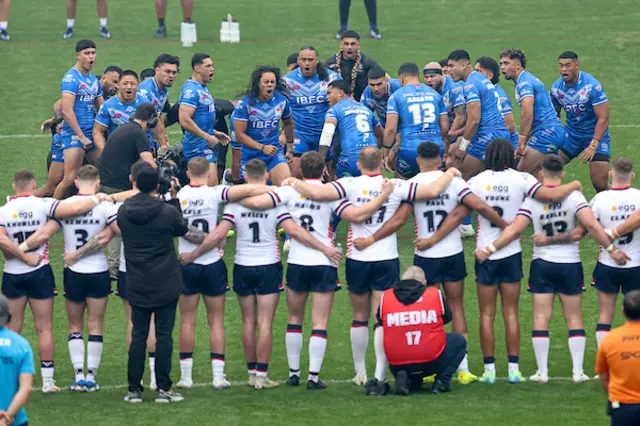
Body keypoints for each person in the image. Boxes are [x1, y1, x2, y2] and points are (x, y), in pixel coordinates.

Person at [282, 146, 461, 389]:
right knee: (381, 319)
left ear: (358, 164)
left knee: (358, 318)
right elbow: (432, 190)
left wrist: (292, 180)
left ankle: (360, 372)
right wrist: (450, 172)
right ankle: (379, 373)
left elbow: (318, 193)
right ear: (382, 162)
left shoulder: (348, 184)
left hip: (358, 257)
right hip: (386, 258)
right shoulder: (396, 185)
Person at [353, 141, 512, 385]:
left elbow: (398, 220)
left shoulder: (411, 184)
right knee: (456, 307)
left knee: (427, 311)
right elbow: (477, 206)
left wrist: (373, 237)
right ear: (440, 159)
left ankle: (428, 360)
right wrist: (506, 227)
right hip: (453, 253)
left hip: (426, 256)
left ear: (417, 160)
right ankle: (463, 368)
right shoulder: (456, 182)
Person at [423, 139, 582, 383]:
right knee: (511, 313)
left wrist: (435, 238)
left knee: (487, 314)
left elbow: (459, 215)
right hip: (511, 253)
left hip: (485, 253)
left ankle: (489, 370)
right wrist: (574, 184)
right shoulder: (523, 179)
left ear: (487, 156)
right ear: (510, 156)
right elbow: (552, 195)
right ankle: (513, 369)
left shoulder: (476, 181)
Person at [238, 151, 397, 389]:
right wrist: (383, 196)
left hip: (297, 262)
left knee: (294, 320)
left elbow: (258, 202)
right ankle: (313, 377)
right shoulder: (332, 193)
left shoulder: (290, 191)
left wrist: (234, 195)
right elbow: (356, 215)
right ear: (324, 170)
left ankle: (294, 374)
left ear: (300, 170)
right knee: (319, 322)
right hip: (324, 262)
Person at [180, 159, 343, 390]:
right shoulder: (276, 202)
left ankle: (249, 372)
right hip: (268, 264)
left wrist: (195, 252)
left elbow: (219, 234)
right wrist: (325, 248)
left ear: (245, 177)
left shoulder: (233, 205)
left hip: (243, 265)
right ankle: (261, 376)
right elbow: (293, 230)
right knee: (265, 322)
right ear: (266, 176)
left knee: (248, 322)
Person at [476, 154, 629, 384]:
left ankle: (542, 372)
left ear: (540, 174)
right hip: (570, 263)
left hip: (542, 264)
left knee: (540, 316)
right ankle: (578, 373)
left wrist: (489, 248)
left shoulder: (531, 200)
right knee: (574, 318)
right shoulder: (575, 197)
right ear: (563, 174)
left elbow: (514, 229)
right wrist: (610, 248)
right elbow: (590, 225)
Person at [0, 170, 113, 394]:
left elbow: (4, 239)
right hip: (42, 271)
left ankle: (10, 381)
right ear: (34, 186)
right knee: (45, 328)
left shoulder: (4, 211)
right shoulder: (45, 205)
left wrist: (21, 255)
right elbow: (75, 211)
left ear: (14, 187)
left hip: (13, 272)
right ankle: (49, 381)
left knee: (12, 330)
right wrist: (99, 197)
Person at [173, 157, 272, 390]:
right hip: (211, 263)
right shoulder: (215, 193)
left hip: (186, 262)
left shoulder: (178, 196)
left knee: (187, 321)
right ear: (208, 173)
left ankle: (186, 377)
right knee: (215, 320)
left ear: (188, 173)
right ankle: (218, 376)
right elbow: (248, 188)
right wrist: (275, 186)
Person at [118, 164, 188, 403]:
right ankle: (163, 388)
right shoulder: (166, 211)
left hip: (137, 280)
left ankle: (134, 389)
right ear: (158, 186)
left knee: (138, 335)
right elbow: (182, 228)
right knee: (164, 335)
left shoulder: (124, 211)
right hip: (165, 280)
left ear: (135, 183)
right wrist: (174, 199)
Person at [568, 158, 640, 350]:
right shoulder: (639, 197)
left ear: (610, 175)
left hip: (608, 265)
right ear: (632, 176)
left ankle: (604, 362)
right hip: (636, 266)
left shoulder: (599, 200)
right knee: (637, 317)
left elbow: (582, 231)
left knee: (605, 316)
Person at [373, 266, 467, 396]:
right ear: (423, 282)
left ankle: (407, 378)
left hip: (397, 362)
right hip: (431, 359)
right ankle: (442, 382)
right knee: (459, 341)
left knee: (403, 354)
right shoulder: (434, 294)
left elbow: (381, 323)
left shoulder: (386, 297)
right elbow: (447, 318)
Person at [551, 51, 611, 192]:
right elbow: (554, 116)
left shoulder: (592, 87)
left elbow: (603, 118)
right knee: (550, 167)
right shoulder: (555, 89)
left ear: (576, 66)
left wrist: (593, 145)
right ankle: (559, 202)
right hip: (571, 136)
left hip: (595, 136)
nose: (564, 69)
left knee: (599, 184)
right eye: (561, 66)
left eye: (568, 65)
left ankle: (621, 203)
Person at [446, 49, 510, 180]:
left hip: (487, 136)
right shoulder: (480, 78)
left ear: (464, 65)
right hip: (498, 133)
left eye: (452, 66)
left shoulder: (470, 85)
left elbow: (474, 120)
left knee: (460, 177)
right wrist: (459, 133)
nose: (449, 71)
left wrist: (463, 147)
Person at [500, 48, 565, 174]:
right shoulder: (524, 80)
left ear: (518, 65)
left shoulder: (524, 83)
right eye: (501, 64)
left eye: (506, 63)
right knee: (539, 176)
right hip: (551, 132)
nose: (502, 67)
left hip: (547, 132)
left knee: (522, 171)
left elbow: (527, 113)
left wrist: (521, 141)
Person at [54, 39, 104, 200]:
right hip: (75, 135)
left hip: (91, 132)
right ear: (78, 55)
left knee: (104, 171)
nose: (91, 57)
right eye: (87, 53)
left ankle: (93, 207)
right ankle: (52, 212)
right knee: (70, 179)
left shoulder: (94, 80)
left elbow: (102, 108)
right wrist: (81, 136)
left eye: (93, 53)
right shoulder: (71, 78)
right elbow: (67, 111)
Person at [382, 62, 449, 179]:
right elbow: (444, 127)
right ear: (418, 77)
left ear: (401, 79)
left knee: (403, 185)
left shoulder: (396, 96)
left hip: (410, 149)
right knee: (433, 185)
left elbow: (390, 129)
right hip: (435, 148)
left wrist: (387, 152)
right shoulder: (436, 95)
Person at [282, 46, 340, 178]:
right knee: (296, 172)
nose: (307, 63)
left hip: (325, 133)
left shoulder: (332, 78)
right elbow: (280, 110)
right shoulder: (287, 81)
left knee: (328, 176)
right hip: (300, 134)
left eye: (310, 60)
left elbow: (341, 104)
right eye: (303, 60)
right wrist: (282, 132)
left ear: (317, 61)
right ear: (298, 61)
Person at [234, 65, 293, 186]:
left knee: (285, 185)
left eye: (273, 82)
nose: (270, 85)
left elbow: (288, 123)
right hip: (252, 155)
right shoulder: (245, 105)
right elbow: (239, 135)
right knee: (255, 193)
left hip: (274, 153)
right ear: (258, 84)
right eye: (266, 82)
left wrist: (289, 146)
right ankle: (230, 176)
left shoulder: (282, 101)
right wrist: (261, 147)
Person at [179, 53, 230, 186]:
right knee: (208, 189)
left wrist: (214, 132)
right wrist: (207, 136)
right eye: (208, 66)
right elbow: (184, 120)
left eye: (212, 66)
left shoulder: (202, 89)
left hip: (204, 145)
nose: (212, 69)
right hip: (196, 147)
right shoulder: (191, 91)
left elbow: (198, 120)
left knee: (209, 188)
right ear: (197, 68)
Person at [319, 80, 383, 178]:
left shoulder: (334, 110)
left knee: (338, 189)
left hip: (351, 158)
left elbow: (327, 133)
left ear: (340, 93)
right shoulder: (366, 109)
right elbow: (380, 134)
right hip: (372, 158)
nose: (326, 97)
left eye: (329, 93)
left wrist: (321, 159)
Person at [595, 290, 640, 426]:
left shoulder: (610, 339)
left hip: (622, 407)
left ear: (623, 311)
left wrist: (615, 394)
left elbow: (603, 376)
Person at [0, 295, 34, 426]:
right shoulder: (21, 344)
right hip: (15, 421)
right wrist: (7, 417)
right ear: (9, 315)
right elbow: (26, 388)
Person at [137, 53, 179, 152]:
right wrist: (164, 144)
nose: (171, 76)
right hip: (137, 136)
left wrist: (163, 137)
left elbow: (158, 115)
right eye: (167, 71)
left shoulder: (163, 90)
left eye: (174, 72)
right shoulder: (146, 90)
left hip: (147, 135)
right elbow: (152, 120)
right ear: (157, 70)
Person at [474, 57, 518, 148]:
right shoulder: (481, 92)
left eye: (478, 71)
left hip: (503, 146)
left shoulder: (499, 96)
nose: (474, 75)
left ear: (489, 76)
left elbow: (510, 127)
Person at [93, 70, 143, 152]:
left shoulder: (146, 102)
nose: (129, 87)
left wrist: (162, 144)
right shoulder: (108, 106)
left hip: (142, 150)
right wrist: (105, 152)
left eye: (133, 83)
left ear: (138, 84)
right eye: (125, 83)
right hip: (118, 151)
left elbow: (155, 128)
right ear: (119, 85)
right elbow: (97, 132)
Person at [325, 31, 380, 101]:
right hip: (337, 104)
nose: (349, 47)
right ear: (341, 45)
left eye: (353, 44)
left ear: (358, 45)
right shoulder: (331, 63)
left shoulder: (367, 62)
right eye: (346, 44)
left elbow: (383, 77)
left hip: (361, 103)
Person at [422, 62, 466, 144]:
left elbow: (461, 117)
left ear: (442, 75)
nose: (429, 80)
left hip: (461, 129)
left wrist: (447, 139)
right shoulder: (429, 89)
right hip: (445, 126)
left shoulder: (454, 88)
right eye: (426, 77)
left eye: (432, 76)